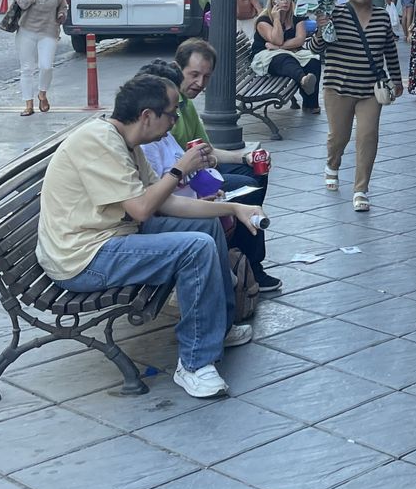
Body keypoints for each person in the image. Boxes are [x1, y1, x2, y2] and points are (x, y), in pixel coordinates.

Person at [38, 74, 264, 398]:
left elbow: (165, 203)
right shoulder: (98, 141)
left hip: (112, 237)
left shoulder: (123, 142)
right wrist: (179, 170)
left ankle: (217, 329)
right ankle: (194, 364)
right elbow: (144, 209)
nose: (175, 120)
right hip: (82, 257)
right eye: (172, 113)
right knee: (195, 248)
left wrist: (232, 209)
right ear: (147, 116)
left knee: (206, 228)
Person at [170, 38, 282, 293]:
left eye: (206, 77)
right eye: (194, 75)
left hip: (199, 172)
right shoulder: (169, 104)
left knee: (252, 171)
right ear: (177, 69)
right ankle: (250, 262)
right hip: (184, 182)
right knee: (247, 188)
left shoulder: (186, 105)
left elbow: (208, 150)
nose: (200, 83)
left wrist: (245, 158)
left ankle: (241, 245)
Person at [311, 0, 403, 210]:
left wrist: (397, 79)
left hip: (370, 89)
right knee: (339, 136)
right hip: (337, 87)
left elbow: (389, 51)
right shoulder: (335, 14)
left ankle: (361, 189)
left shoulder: (382, 17)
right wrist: (322, 28)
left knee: (367, 136)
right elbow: (315, 48)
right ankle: (332, 164)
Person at [13, 0, 68, 117]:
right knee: (27, 68)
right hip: (26, 31)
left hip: (48, 32)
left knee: (46, 66)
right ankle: (28, 104)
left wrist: (61, 15)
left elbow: (63, 6)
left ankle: (42, 93)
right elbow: (21, 4)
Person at [254, 0, 321, 113]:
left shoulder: (296, 17)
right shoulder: (263, 20)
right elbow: (277, 39)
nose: (286, 1)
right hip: (265, 56)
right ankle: (303, 79)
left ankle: (310, 104)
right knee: (285, 58)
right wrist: (276, 19)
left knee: (313, 59)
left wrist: (277, 47)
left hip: (289, 51)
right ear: (274, 1)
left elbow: (300, 40)